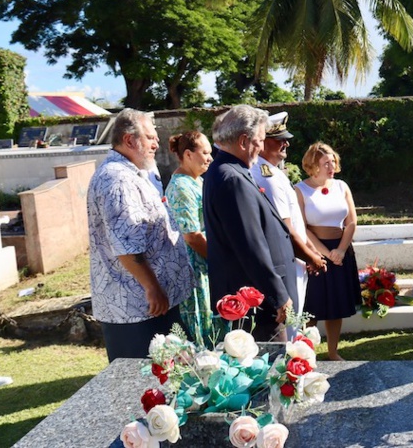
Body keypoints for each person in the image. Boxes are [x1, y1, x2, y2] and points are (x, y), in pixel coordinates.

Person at [204, 105, 320, 342]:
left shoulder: (230, 171)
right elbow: (250, 244)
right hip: (256, 299)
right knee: (268, 370)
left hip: (256, 294)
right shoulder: (232, 178)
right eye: (259, 140)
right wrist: (278, 295)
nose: (260, 146)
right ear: (244, 141)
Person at [87, 109, 193, 362]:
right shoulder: (118, 179)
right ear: (129, 140)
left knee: (174, 381)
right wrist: (152, 287)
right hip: (137, 308)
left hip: (152, 304)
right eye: (150, 137)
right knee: (142, 390)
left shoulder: (136, 173)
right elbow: (126, 246)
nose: (157, 143)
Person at [251, 112, 326, 340]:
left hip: (294, 258)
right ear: (262, 142)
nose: (286, 143)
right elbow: (285, 228)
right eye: (279, 139)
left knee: (294, 324)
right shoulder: (268, 178)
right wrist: (311, 256)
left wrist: (310, 253)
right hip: (289, 261)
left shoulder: (273, 172)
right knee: (290, 329)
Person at [295, 143, 361, 360]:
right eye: (326, 163)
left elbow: (351, 222)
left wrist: (340, 251)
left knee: (337, 304)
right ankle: (307, 354)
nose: (331, 166)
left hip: (341, 250)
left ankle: (333, 351)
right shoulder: (300, 189)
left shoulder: (342, 186)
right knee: (313, 306)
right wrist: (323, 253)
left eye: (333, 161)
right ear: (312, 165)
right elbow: (302, 226)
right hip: (314, 251)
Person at [165, 131, 215, 347]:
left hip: (205, 266)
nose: (210, 158)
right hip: (195, 271)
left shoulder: (197, 181)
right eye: (205, 152)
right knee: (203, 333)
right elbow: (192, 236)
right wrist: (219, 262)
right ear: (188, 154)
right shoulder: (181, 186)